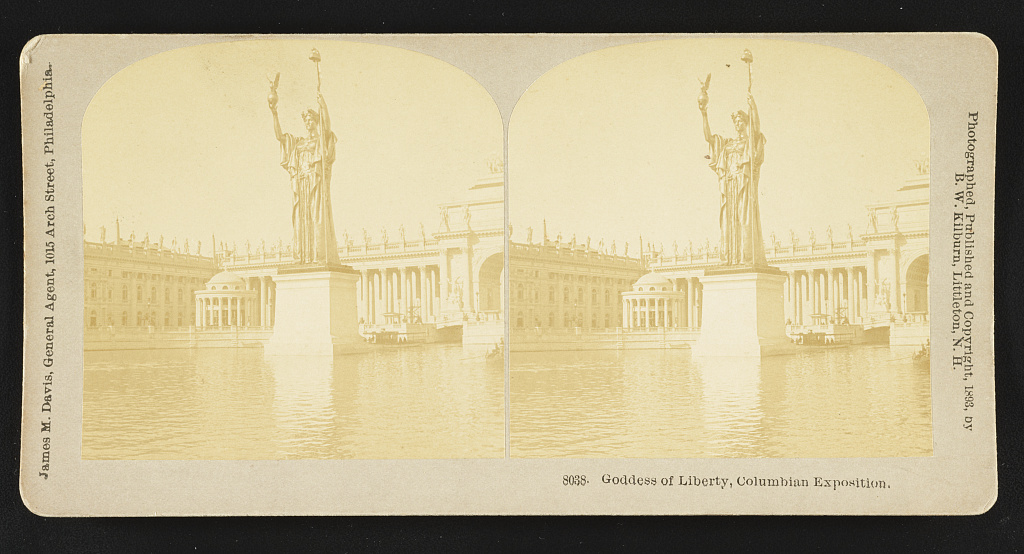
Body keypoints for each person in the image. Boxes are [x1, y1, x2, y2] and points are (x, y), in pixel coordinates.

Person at [270, 89, 340, 265]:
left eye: (311, 120)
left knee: (317, 218)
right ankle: (302, 257)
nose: (308, 123)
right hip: (301, 184)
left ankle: (319, 256)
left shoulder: (321, 141)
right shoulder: (298, 142)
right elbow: (279, 136)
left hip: (315, 183)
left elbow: (327, 129)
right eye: (306, 120)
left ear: (316, 121)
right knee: (301, 220)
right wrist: (274, 112)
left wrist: (323, 106)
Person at [699, 90, 767, 266]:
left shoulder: (750, 142)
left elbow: (756, 130)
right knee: (728, 222)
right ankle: (730, 258)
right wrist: (704, 113)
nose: (737, 124)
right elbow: (708, 138)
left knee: (744, 219)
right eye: (735, 121)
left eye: (740, 121)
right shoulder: (727, 144)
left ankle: (746, 257)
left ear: (746, 122)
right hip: (729, 185)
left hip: (743, 184)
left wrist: (753, 107)